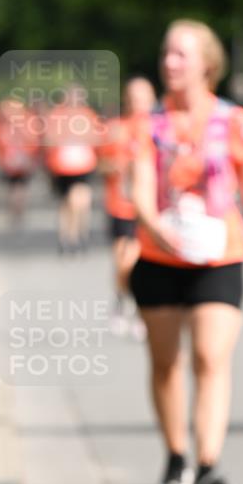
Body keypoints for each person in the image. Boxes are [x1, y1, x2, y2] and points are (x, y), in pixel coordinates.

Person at [130, 19, 243, 484]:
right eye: (166, 54)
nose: (170, 63)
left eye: (181, 54)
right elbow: (137, 193)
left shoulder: (235, 122)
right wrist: (160, 230)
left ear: (208, 65)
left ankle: (206, 466)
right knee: (165, 364)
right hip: (159, 257)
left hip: (221, 257)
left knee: (209, 358)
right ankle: (176, 453)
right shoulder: (147, 125)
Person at [98, 77, 156, 338]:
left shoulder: (160, 128)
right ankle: (122, 299)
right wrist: (117, 166)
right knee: (122, 262)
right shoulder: (116, 129)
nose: (138, 103)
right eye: (133, 98)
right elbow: (100, 164)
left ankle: (137, 308)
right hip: (121, 205)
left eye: (143, 98)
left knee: (136, 259)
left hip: (151, 208)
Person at [44, 85, 100, 254]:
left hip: (84, 164)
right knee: (66, 203)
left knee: (81, 200)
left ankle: (78, 235)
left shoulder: (88, 115)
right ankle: (66, 236)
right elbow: (48, 139)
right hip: (62, 167)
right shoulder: (57, 115)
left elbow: (97, 137)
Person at [0, 99, 39, 223]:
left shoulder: (5, 123)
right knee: (19, 185)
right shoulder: (24, 121)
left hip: (15, 159)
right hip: (17, 159)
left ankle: (15, 208)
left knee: (15, 185)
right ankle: (17, 208)